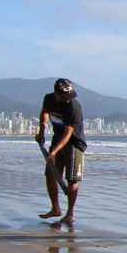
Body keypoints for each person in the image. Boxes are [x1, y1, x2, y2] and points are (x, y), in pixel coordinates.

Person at [36, 78, 88, 225]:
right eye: (65, 96)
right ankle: (55, 208)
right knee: (50, 173)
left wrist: (53, 153)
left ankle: (70, 214)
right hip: (57, 139)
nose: (68, 99)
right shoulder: (49, 99)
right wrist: (42, 130)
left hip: (75, 143)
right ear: (57, 94)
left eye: (70, 95)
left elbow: (68, 134)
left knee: (72, 180)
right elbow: (44, 112)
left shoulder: (74, 107)